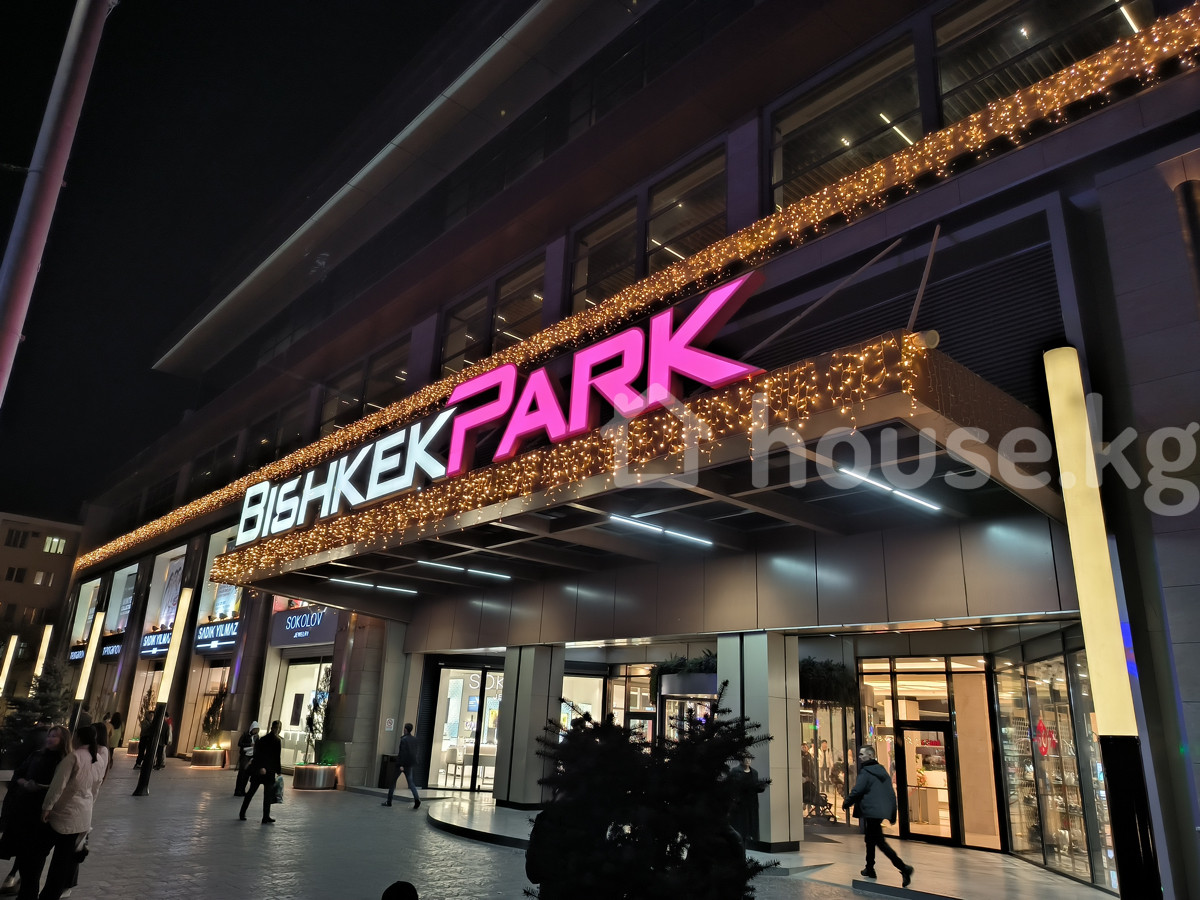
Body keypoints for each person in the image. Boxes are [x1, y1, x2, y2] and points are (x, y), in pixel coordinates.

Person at [21, 725, 106, 900]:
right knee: (62, 862)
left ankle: (28, 895)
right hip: (81, 816)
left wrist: (47, 807)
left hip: (62, 815)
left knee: (35, 855)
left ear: (78, 738)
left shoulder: (73, 757)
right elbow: (96, 787)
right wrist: (89, 806)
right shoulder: (98, 758)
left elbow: (57, 786)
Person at [0, 725, 70, 897]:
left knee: (33, 861)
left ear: (63, 740)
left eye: (54, 736)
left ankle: (28, 892)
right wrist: (25, 783)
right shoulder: (37, 755)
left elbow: (61, 788)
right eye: (49, 735)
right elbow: (18, 774)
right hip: (23, 811)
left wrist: (40, 788)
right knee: (25, 858)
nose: (50, 739)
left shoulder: (64, 761)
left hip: (42, 816)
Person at [842, 744, 913, 888]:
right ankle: (869, 868)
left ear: (870, 755)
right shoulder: (882, 771)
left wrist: (847, 802)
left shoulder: (866, 772)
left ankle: (903, 867)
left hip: (871, 811)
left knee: (879, 842)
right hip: (878, 812)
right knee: (870, 839)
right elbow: (890, 793)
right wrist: (892, 812)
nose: (859, 757)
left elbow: (858, 790)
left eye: (862, 754)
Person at [239, 720, 282, 824]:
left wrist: (261, 767)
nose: (277, 730)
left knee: (253, 792)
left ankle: (243, 813)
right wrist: (278, 770)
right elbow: (276, 757)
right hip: (267, 771)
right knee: (265, 794)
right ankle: (265, 816)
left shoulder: (263, 739)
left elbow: (258, 755)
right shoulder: (274, 740)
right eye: (277, 728)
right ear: (274, 728)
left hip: (261, 770)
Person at [726, 753, 765, 848]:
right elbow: (731, 787)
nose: (748, 760)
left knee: (750, 830)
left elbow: (755, 786)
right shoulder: (735, 771)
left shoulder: (754, 772)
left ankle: (744, 850)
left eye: (749, 758)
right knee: (739, 829)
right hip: (739, 806)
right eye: (745, 758)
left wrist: (759, 787)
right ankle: (739, 851)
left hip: (751, 806)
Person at [383, 723, 420, 809]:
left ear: (405, 729)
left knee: (393, 782)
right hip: (409, 765)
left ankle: (389, 801)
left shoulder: (404, 740)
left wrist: (401, 764)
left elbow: (402, 753)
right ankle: (417, 799)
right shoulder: (414, 740)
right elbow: (415, 753)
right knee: (411, 783)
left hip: (401, 765)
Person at [234, 722, 259, 797]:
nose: (256, 731)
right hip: (245, 755)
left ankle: (242, 790)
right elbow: (239, 743)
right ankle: (237, 790)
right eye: (255, 729)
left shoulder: (256, 736)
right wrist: (249, 745)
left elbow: (258, 745)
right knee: (241, 773)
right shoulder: (245, 734)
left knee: (247, 774)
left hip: (251, 756)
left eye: (257, 730)